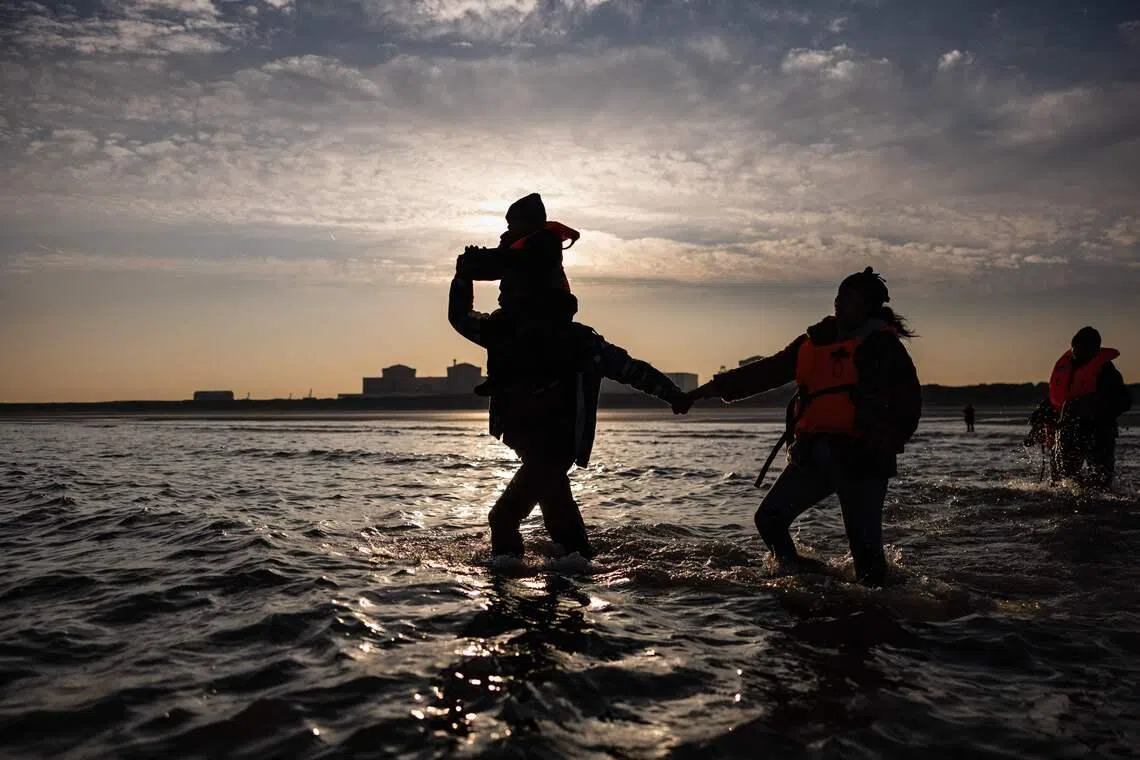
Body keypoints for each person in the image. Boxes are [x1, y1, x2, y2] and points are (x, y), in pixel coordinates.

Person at [685, 267, 921, 586]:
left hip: (863, 460)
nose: (839, 303)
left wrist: (885, 442)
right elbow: (764, 372)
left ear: (867, 307)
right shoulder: (812, 342)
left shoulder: (884, 346)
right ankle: (804, 576)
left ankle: (885, 611)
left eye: (848, 299)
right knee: (769, 519)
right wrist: (705, 391)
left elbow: (909, 403)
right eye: (838, 296)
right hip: (814, 454)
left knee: (867, 558)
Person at [448, 255, 690, 560]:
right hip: (533, 448)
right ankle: (579, 580)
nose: (501, 297)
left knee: (503, 518)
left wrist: (673, 394)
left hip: (554, 451)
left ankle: (506, 592)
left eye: (508, 290)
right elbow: (460, 318)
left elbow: (631, 370)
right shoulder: (504, 334)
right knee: (563, 526)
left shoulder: (579, 343)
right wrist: (462, 277)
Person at [457, 193, 580, 397]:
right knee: (499, 324)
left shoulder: (545, 242)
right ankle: (498, 377)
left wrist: (488, 257)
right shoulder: (512, 245)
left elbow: (516, 261)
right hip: (517, 310)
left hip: (546, 309)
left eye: (512, 223)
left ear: (528, 222)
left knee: (503, 328)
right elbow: (497, 268)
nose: (507, 229)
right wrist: (472, 264)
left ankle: (507, 378)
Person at [1043, 326, 1131, 488]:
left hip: (1100, 431)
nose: (1077, 355)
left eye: (1083, 350)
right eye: (1075, 350)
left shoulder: (1107, 371)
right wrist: (1044, 410)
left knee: (1101, 479)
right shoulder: (1066, 367)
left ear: (1095, 350)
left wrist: (1093, 404)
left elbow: (1124, 401)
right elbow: (1058, 396)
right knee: (1062, 476)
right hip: (1070, 430)